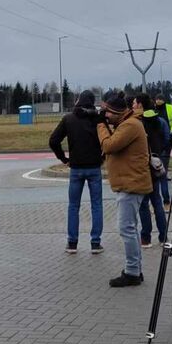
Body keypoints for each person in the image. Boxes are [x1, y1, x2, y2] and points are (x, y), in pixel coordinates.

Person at [95, 91, 150, 287]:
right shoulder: (127, 124)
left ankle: (132, 272)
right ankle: (135, 269)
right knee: (131, 229)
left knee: (126, 229)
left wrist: (100, 124)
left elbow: (109, 145)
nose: (106, 116)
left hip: (131, 184)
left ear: (117, 112)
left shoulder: (131, 125)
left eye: (108, 113)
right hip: (130, 183)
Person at [48, 89, 105, 254]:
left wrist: (63, 159)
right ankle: (95, 243)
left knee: (73, 206)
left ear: (78, 100)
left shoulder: (69, 119)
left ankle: (72, 243)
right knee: (97, 205)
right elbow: (109, 139)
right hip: (94, 167)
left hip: (76, 167)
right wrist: (103, 156)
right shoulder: (98, 119)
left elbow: (53, 140)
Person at [133, 94, 169, 247]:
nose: (133, 105)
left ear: (140, 104)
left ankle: (146, 238)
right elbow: (167, 138)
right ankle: (163, 237)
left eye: (135, 103)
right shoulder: (160, 120)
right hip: (156, 164)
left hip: (142, 165)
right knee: (157, 202)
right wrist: (160, 151)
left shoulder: (137, 122)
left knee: (143, 204)